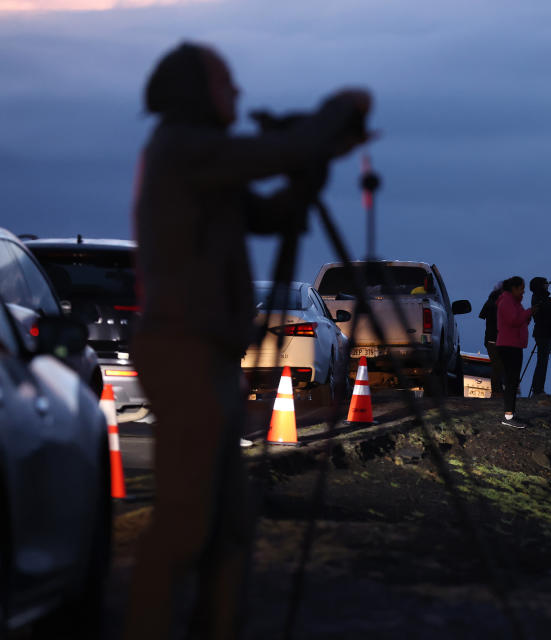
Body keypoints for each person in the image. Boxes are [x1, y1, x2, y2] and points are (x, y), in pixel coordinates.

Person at [125, 41, 372, 640]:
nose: (237, 93)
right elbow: (273, 154)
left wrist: (308, 164)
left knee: (230, 521)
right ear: (196, 93)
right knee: (188, 522)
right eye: (226, 83)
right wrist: (328, 121)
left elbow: (268, 215)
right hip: (184, 350)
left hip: (206, 352)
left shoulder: (199, 158)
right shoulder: (184, 148)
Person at [496, 276, 536, 428]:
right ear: (513, 288)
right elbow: (514, 320)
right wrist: (529, 312)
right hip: (508, 346)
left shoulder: (513, 302)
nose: (523, 291)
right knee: (511, 381)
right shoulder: (506, 301)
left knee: (513, 381)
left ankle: (510, 414)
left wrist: (528, 314)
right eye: (521, 288)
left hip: (514, 345)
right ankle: (508, 416)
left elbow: (519, 320)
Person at [477, 281, 505, 396]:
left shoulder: (490, 301)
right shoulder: (501, 303)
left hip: (490, 338)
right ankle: (497, 390)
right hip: (497, 338)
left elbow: (481, 315)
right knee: (498, 365)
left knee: (496, 364)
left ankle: (497, 390)